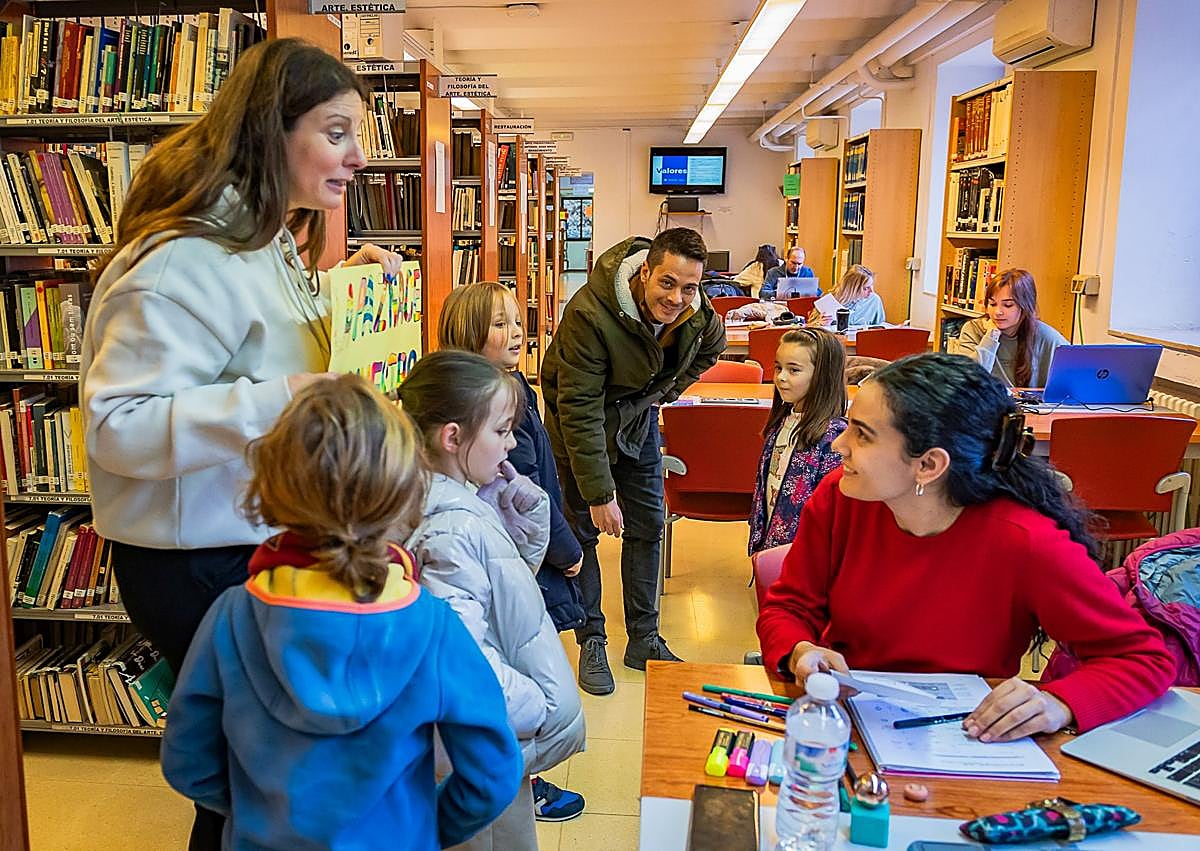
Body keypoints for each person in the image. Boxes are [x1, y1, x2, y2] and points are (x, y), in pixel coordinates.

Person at [79, 38, 402, 847]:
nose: (358, 156)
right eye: (335, 132)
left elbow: (261, 343)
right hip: (195, 560)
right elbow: (117, 427)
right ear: (271, 133)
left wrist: (347, 297)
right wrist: (283, 401)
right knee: (258, 777)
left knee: (254, 771)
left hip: (247, 538)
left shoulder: (266, 239)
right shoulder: (180, 260)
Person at [161, 376, 523, 850]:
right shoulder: (431, 625)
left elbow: (188, 760)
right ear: (402, 493)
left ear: (273, 485)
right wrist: (428, 827)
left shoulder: (234, 616)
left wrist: (255, 813)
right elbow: (493, 772)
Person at [757, 354, 1175, 740]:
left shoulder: (1027, 543)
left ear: (928, 465)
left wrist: (1060, 703)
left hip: (968, 741)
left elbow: (1143, 659)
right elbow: (788, 606)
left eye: (862, 435)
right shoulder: (841, 497)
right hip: (845, 723)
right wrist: (801, 649)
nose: (838, 445)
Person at [400, 351, 586, 850]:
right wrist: (538, 704)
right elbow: (461, 662)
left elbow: (493, 603)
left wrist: (520, 533)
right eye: (502, 432)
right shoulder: (449, 527)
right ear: (453, 437)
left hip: (481, 745)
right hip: (478, 751)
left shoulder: (455, 504)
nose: (510, 445)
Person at [541, 227, 726, 695]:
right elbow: (579, 410)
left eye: (689, 287)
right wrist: (600, 494)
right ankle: (592, 640)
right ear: (645, 272)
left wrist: (661, 395)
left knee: (648, 525)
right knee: (582, 535)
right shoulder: (588, 314)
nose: (676, 297)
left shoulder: (698, 316)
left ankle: (643, 639)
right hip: (579, 427)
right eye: (667, 283)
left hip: (637, 422)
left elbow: (710, 350)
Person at [437, 282, 587, 824]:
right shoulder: (486, 414)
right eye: (499, 324)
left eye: (516, 320)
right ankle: (526, 775)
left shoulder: (511, 388)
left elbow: (530, 485)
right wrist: (565, 551)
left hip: (522, 551)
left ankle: (525, 776)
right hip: (520, 564)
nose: (516, 331)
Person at [748, 328, 847, 555]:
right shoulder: (781, 424)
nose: (781, 377)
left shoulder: (835, 439)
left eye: (794, 370)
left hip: (806, 558)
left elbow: (833, 515)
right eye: (779, 367)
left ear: (822, 376)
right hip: (772, 550)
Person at [956, 268, 1068, 388]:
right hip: (986, 405)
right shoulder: (973, 330)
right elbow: (967, 381)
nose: (998, 312)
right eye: (992, 304)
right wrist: (991, 337)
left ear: (1025, 306)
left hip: (1030, 406)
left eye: (1008, 305)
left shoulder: (1046, 335)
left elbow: (1075, 374)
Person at [810, 264, 885, 327]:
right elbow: (809, 327)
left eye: (871, 286)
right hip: (835, 342)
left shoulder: (874, 300)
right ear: (852, 289)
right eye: (866, 288)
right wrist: (820, 323)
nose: (872, 291)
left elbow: (880, 327)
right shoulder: (830, 300)